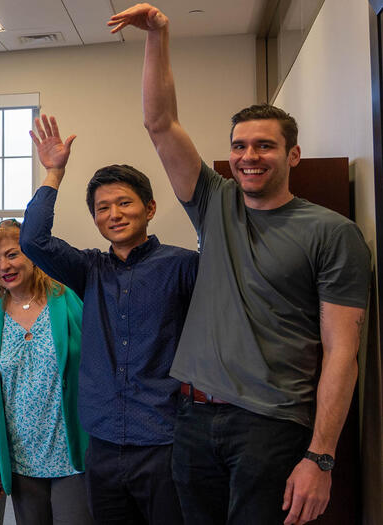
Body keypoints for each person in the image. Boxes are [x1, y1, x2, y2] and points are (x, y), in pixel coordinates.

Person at [112, 4, 372, 524]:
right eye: (239, 146)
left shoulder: (332, 233)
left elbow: (342, 353)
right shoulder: (216, 203)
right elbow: (159, 124)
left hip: (270, 427)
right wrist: (158, 36)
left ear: (293, 155)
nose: (250, 155)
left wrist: (320, 457)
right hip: (191, 416)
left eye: (265, 146)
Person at [21, 114, 196, 524]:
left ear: (149, 208)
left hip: (164, 441)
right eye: (103, 208)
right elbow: (33, 240)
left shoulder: (183, 266)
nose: (114, 214)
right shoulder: (89, 270)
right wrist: (53, 172)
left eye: (124, 203)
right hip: (102, 442)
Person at [0, 220, 91, 525]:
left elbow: (97, 367)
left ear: (32, 255)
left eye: (12, 255)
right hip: (21, 460)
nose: (3, 267)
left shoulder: (68, 301)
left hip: (72, 455)